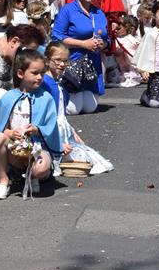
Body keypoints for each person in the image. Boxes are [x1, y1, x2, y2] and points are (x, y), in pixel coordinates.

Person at [0, 49, 61, 199]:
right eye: (34, 73)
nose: (40, 77)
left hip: (37, 147)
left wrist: (36, 129)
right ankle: (4, 180)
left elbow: (51, 127)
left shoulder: (46, 98)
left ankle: (34, 175)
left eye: (42, 72)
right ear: (21, 73)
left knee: (40, 170)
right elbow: (1, 128)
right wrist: (10, 133)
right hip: (14, 149)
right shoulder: (8, 98)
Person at [39, 44, 113, 174]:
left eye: (65, 61)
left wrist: (72, 132)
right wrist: (57, 143)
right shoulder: (44, 84)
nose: (62, 64)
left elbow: (62, 115)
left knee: (89, 157)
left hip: (63, 130)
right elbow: (45, 118)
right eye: (57, 60)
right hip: (50, 132)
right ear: (46, 60)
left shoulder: (59, 84)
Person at [52, 0, 109, 115]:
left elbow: (108, 39)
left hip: (92, 66)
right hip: (73, 63)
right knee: (73, 110)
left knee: (90, 108)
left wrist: (103, 44)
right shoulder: (68, 10)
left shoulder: (99, 12)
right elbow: (56, 37)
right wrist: (83, 44)